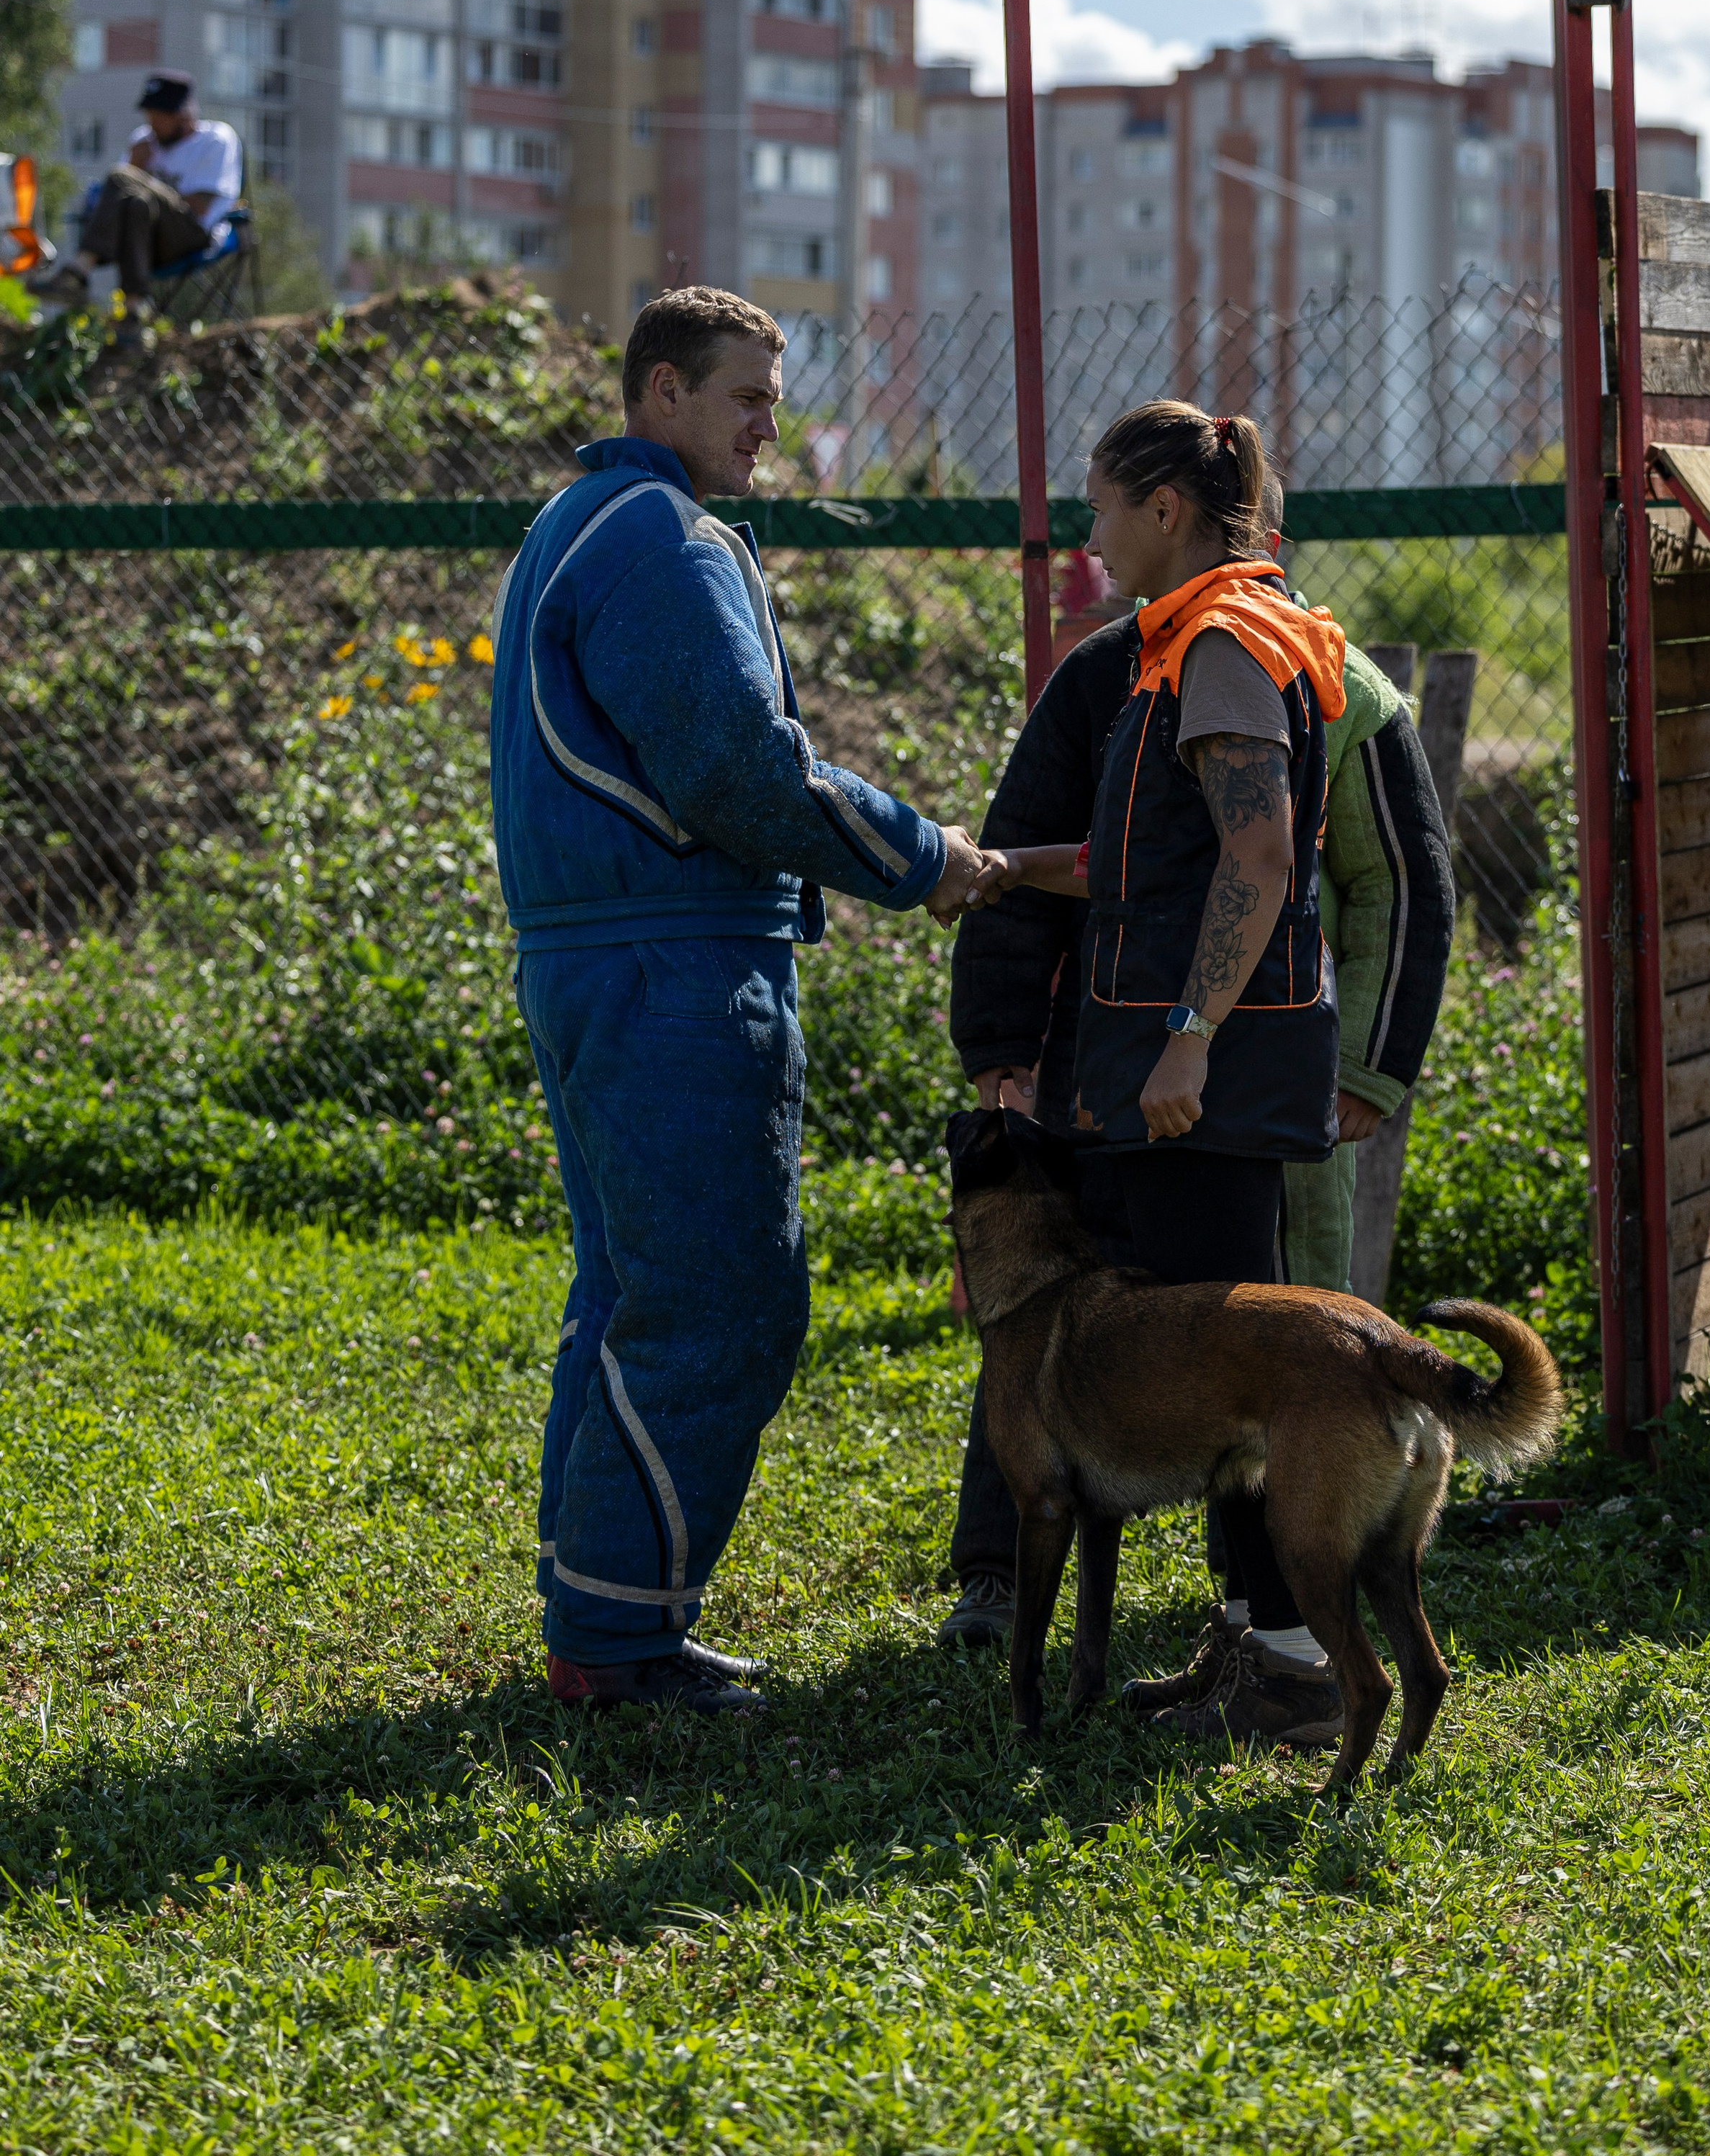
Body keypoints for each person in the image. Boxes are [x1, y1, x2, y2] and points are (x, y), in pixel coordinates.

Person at [489, 286, 999, 1720]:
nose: (772, 427)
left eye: (775, 399)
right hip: (677, 966)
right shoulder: (659, 536)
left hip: (601, 955)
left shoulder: (574, 523)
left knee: (632, 1288)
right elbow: (734, 770)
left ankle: (598, 1611)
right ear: (662, 390)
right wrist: (923, 859)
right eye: (747, 398)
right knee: (721, 1296)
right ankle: (621, 1647)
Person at [938, 400, 1446, 1753]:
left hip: (1200, 1087)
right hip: (1163, 1077)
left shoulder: (1221, 645)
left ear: (1164, 510)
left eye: (1102, 509)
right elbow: (1145, 860)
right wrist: (1002, 869)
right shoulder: (1183, 645)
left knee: (1253, 1386)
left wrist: (1188, 1036)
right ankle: (1248, 1639)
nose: (1089, 538)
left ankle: (1294, 1670)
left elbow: (1259, 859)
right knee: (1210, 1387)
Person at [27, 71, 243, 318]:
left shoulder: (216, 139)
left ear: (184, 114)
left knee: (121, 176)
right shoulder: (144, 140)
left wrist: (137, 173)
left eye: (160, 115)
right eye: (149, 114)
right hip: (148, 239)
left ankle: (78, 271)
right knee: (136, 204)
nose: (152, 123)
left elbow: (199, 207)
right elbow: (121, 200)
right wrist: (137, 166)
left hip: (193, 235)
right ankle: (133, 310)